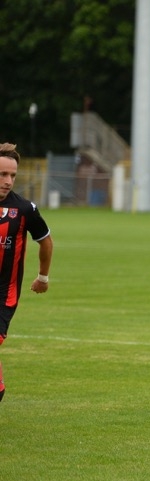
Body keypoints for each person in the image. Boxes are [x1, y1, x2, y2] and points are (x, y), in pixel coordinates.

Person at [0, 143, 54, 405]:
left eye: (12, 176)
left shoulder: (24, 210)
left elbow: (45, 241)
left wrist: (42, 277)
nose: (8, 181)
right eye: (2, 174)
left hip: (4, 296)